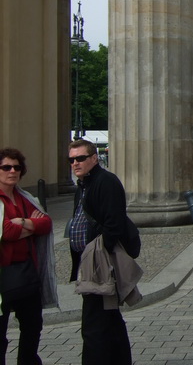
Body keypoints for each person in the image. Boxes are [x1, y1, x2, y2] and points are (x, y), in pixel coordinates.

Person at [68, 139, 133, 365]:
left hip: (98, 263)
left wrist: (98, 255)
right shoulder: (84, 184)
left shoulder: (105, 181)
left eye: (80, 158)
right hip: (88, 261)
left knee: (93, 325)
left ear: (94, 158)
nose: (75, 163)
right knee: (109, 318)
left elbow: (114, 224)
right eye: (72, 160)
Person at [0, 148, 57, 365]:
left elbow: (47, 222)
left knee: (32, 328)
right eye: (6, 167)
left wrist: (23, 223)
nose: (12, 171)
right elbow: (5, 231)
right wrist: (30, 225)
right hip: (2, 276)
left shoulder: (26, 198)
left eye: (17, 167)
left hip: (26, 273)